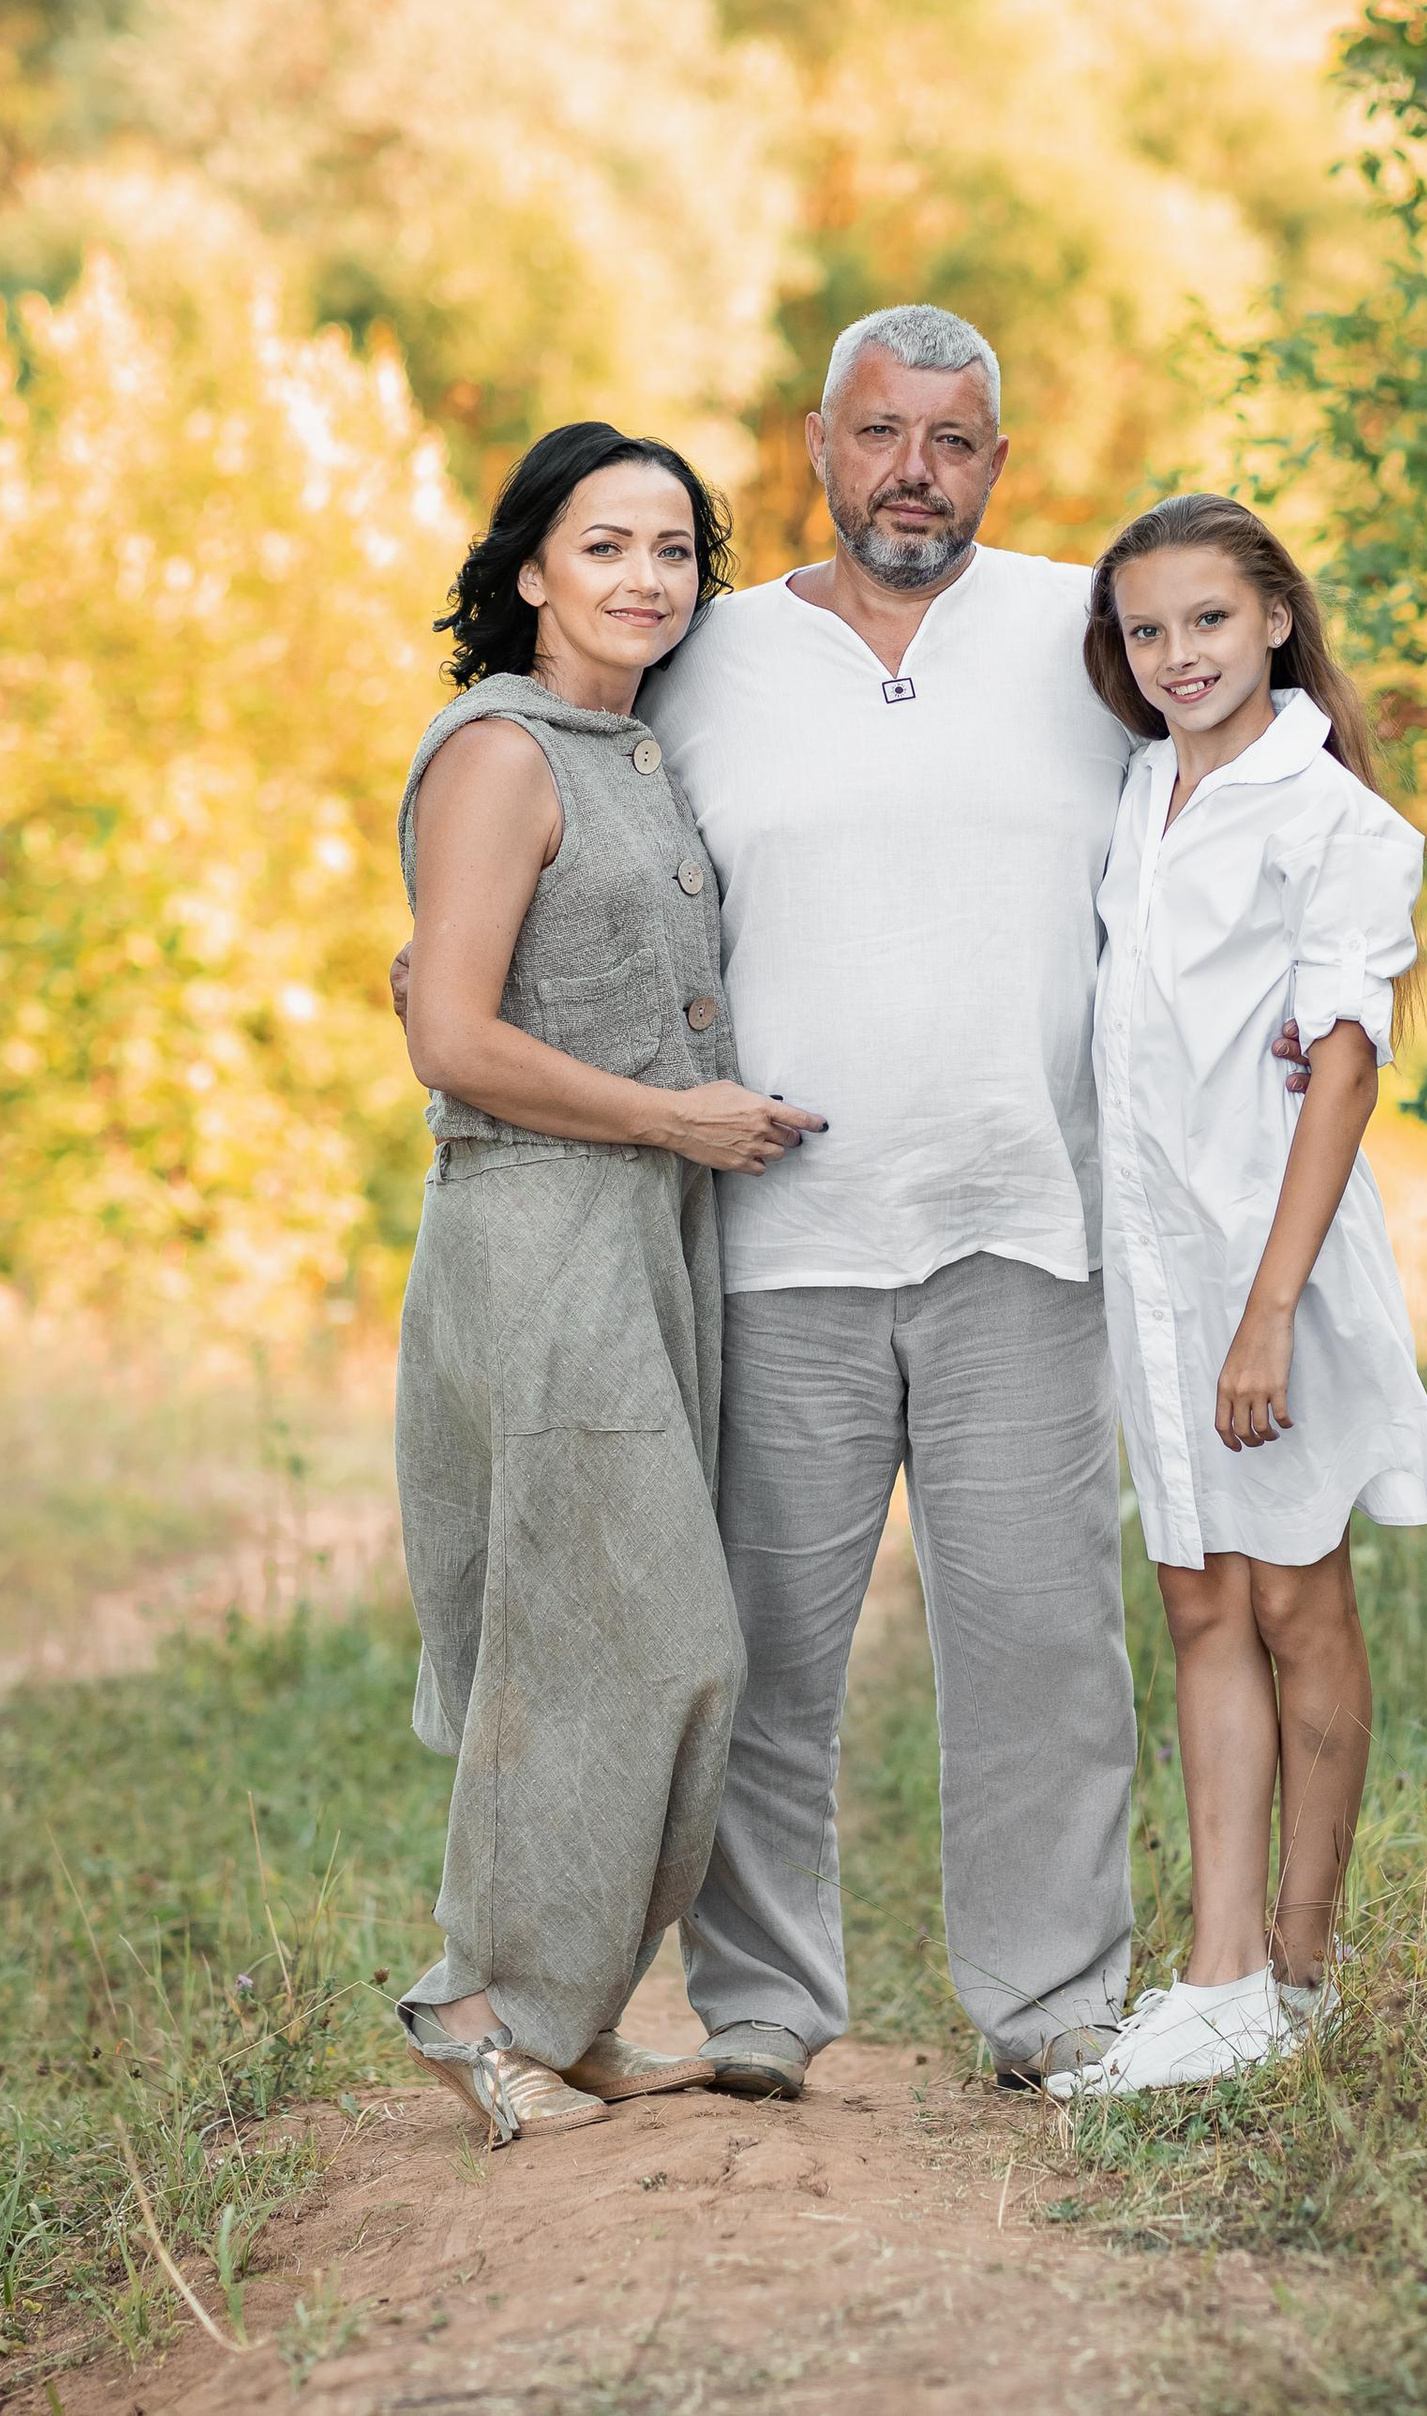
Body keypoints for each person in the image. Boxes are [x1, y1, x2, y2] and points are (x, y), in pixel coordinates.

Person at [635, 306, 1148, 2098]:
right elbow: (574, 830)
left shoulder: (1092, 636)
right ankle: (761, 2003)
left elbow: (1238, 796)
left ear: (998, 462)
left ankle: (1053, 1999)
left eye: (950, 439)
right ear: (817, 443)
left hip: (1030, 1219)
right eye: (879, 432)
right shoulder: (706, 657)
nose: (911, 472)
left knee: (1044, 1646)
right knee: (766, 1652)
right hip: (777, 1237)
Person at [391, 422, 824, 2144]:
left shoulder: (627, 748)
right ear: (529, 571)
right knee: (625, 1635)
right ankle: (480, 2007)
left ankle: (563, 2015)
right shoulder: (502, 750)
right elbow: (450, 1036)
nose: (647, 578)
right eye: (605, 545)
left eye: (674, 550)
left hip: (651, 1228)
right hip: (546, 1229)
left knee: (619, 1634)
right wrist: (672, 1116)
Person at [1051, 493, 1427, 2099]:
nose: (1179, 656)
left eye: (1209, 620)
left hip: (1269, 1264)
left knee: (1296, 1597)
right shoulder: (1137, 791)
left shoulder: (1333, 820)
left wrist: (1271, 1308)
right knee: (1201, 1603)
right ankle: (1215, 1979)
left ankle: (1299, 1971)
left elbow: (1343, 1065)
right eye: (1147, 630)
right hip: (1155, 1266)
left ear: (1276, 619)